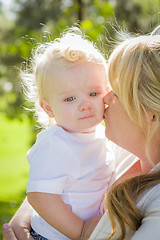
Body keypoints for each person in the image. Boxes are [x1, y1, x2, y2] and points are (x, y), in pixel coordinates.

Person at [2, 27, 144, 240]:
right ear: (48, 108)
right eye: (70, 99)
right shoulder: (56, 143)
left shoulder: (102, 135)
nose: (85, 105)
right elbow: (40, 197)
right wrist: (81, 232)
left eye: (93, 93)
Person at [80, 27, 160, 239]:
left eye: (115, 92)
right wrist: (30, 209)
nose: (104, 99)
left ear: (151, 114)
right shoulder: (124, 152)